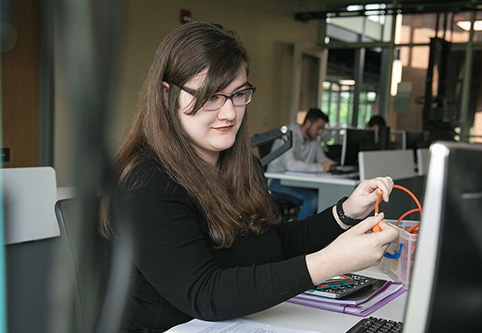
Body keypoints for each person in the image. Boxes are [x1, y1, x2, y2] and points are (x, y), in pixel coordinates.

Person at [100, 22, 399, 332]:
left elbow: (274, 244)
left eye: (238, 94)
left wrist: (345, 212)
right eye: (211, 96)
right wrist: (332, 261)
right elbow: (204, 293)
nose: (229, 113)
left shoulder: (243, 167)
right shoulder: (148, 181)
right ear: (167, 96)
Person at [266, 108, 336, 219]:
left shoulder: (313, 140)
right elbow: (291, 165)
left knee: (324, 194)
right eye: (318, 128)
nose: (320, 132)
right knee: (312, 199)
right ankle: (301, 235)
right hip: (277, 182)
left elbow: (322, 160)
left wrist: (330, 164)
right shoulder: (287, 136)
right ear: (308, 123)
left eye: (322, 129)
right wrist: (321, 167)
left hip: (298, 182)